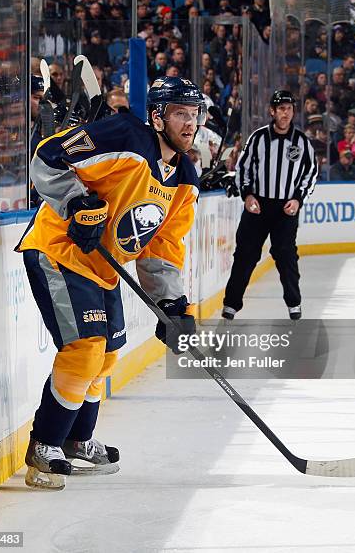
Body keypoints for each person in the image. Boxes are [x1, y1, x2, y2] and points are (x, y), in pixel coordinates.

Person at [16, 77, 206, 489]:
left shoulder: (185, 177)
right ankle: (44, 446)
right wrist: (76, 203)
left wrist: (173, 306)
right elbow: (49, 155)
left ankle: (77, 439)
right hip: (59, 248)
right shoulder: (126, 136)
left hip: (103, 265)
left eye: (194, 115)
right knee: (85, 350)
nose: (189, 124)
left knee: (107, 357)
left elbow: (162, 246)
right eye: (179, 114)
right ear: (157, 116)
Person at [222, 90, 317, 322]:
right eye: (281, 108)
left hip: (286, 209)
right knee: (245, 254)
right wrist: (247, 195)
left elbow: (311, 173)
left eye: (289, 108)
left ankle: (294, 304)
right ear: (272, 111)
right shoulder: (258, 138)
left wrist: (298, 199)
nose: (286, 113)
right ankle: (231, 305)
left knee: (286, 255)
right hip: (258, 206)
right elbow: (243, 168)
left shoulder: (302, 142)